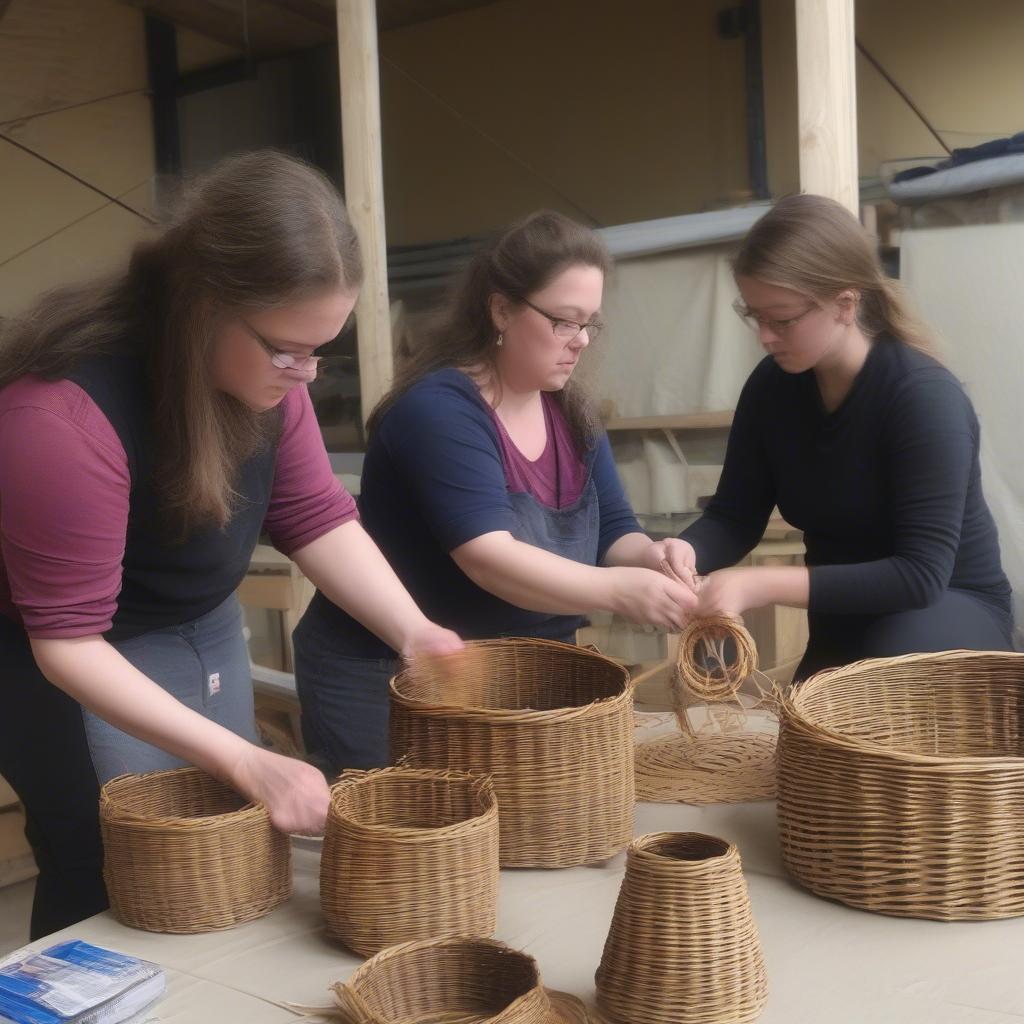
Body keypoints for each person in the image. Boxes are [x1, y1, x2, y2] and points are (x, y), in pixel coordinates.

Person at [0, 150, 461, 938]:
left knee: (219, 843)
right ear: (202, 302)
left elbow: (315, 514)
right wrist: (244, 756)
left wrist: (413, 631)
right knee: (110, 859)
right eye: (289, 349)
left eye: (324, 349)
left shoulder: (272, 381)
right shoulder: (58, 418)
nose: (308, 373)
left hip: (194, 621)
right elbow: (68, 643)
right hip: (69, 655)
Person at [294, 210, 698, 774]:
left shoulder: (572, 413)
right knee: (410, 850)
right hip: (389, 676)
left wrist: (654, 557)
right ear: (501, 308)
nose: (580, 342)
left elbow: (614, 531)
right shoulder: (439, 411)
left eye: (590, 325)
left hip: (509, 674)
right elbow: (488, 558)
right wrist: (617, 591)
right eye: (564, 321)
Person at [671, 193, 1013, 679]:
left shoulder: (922, 399)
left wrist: (759, 586)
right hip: (845, 623)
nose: (764, 336)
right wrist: (687, 551)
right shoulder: (772, 387)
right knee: (811, 739)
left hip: (947, 613)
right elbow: (733, 516)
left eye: (781, 319)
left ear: (845, 304)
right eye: (754, 316)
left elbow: (919, 577)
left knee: (881, 688)